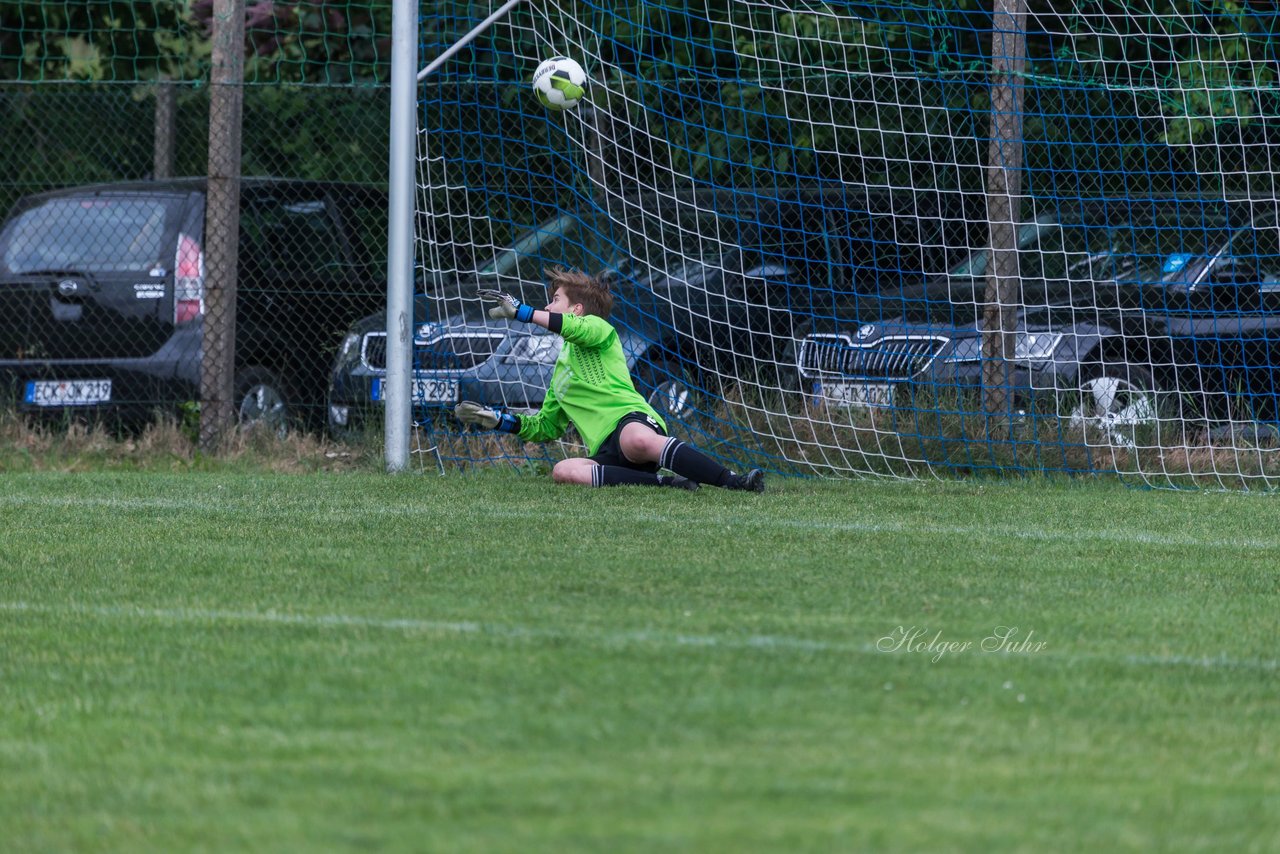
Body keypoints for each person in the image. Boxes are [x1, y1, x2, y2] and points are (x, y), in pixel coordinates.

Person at [453, 266, 765, 493]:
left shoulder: (598, 329)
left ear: (576, 310)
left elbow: (576, 329)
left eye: (555, 300)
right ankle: (670, 483)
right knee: (564, 470)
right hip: (608, 453)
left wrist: (523, 312)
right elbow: (546, 428)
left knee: (636, 439)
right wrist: (498, 421)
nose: (548, 306)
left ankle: (733, 481)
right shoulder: (561, 374)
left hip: (633, 424)